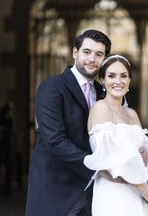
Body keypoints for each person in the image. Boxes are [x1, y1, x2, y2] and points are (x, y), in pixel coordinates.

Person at [25, 29, 112, 216]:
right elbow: (55, 140)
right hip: (56, 187)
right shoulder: (51, 88)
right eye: (86, 52)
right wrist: (97, 168)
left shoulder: (103, 93)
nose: (92, 59)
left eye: (99, 54)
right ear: (75, 53)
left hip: (92, 191)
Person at [84, 54, 148, 216]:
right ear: (102, 80)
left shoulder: (132, 114)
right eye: (111, 76)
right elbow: (106, 161)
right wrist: (142, 187)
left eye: (123, 76)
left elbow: (145, 153)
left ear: (129, 80)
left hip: (140, 195)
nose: (118, 81)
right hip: (115, 194)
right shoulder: (101, 108)